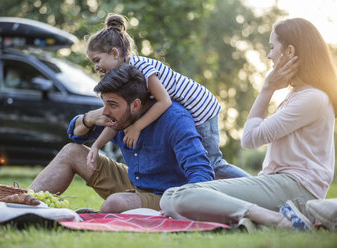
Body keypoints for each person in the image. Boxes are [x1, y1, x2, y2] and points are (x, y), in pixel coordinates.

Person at [159, 18, 337, 231]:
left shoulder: (312, 98)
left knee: (178, 196)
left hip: (295, 190)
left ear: (289, 51)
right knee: (173, 197)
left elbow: (250, 139)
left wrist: (267, 89)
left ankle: (277, 220)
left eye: (272, 47)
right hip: (282, 186)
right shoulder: (300, 95)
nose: (269, 55)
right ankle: (261, 219)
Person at [29, 64, 214, 212]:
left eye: (112, 105)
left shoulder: (175, 119)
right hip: (133, 182)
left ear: (135, 105)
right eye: (104, 104)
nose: (106, 111)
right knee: (71, 152)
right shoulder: (117, 116)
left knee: (115, 204)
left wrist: (178, 206)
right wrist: (89, 118)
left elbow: (201, 173)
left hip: (164, 195)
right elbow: (76, 136)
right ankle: (22, 205)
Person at [86, 13, 250, 179]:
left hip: (201, 109)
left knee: (212, 164)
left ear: (114, 53)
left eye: (97, 60)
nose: (96, 67)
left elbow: (164, 101)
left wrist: (138, 126)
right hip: (193, 109)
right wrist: (97, 145)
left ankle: (253, 185)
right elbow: (119, 118)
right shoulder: (125, 76)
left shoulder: (141, 68)